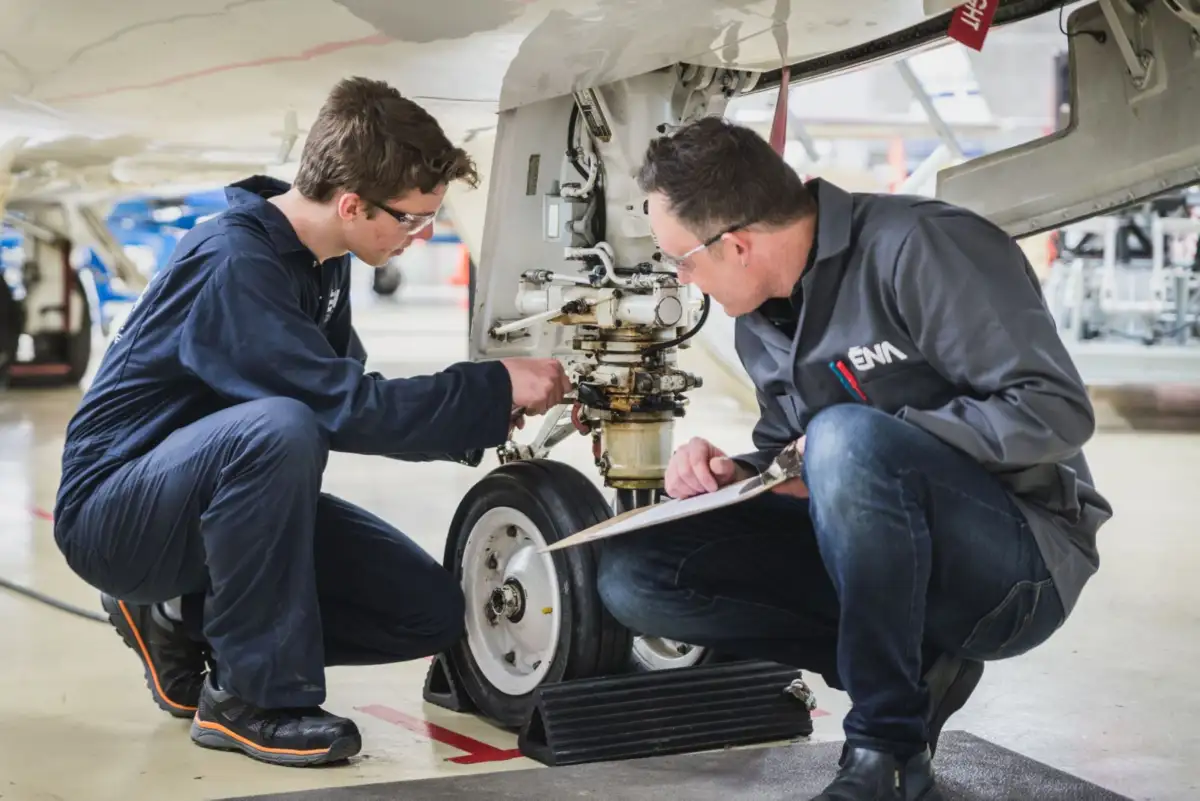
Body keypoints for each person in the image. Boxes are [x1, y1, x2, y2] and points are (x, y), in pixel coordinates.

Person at [52, 76, 572, 767]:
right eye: (412, 219)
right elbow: (341, 406)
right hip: (116, 513)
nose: (419, 237)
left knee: (427, 612)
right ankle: (249, 699)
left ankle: (178, 614)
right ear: (352, 204)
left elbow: (351, 398)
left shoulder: (321, 263)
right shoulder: (235, 261)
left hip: (213, 499)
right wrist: (486, 387)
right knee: (282, 426)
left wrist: (491, 407)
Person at [595, 117, 1113, 801]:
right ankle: (915, 660)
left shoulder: (923, 247)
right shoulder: (758, 322)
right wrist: (736, 474)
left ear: (738, 245)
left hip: (1019, 564)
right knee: (637, 573)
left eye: (683, 259)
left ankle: (887, 752)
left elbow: (1055, 410)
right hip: (885, 560)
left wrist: (871, 441)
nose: (681, 278)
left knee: (847, 436)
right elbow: (799, 461)